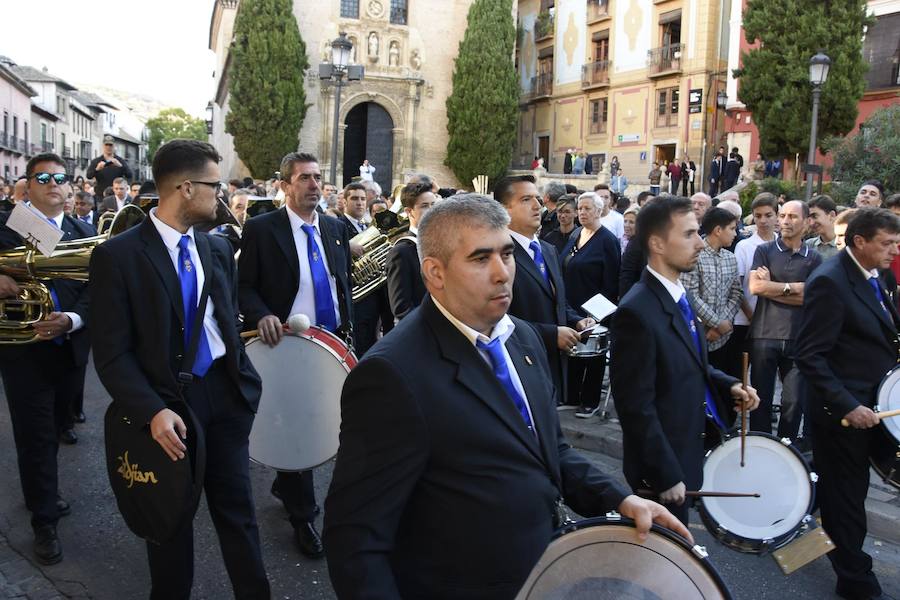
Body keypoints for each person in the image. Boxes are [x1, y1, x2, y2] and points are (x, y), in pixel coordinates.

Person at [323, 193, 690, 598]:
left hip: (543, 575)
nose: (503, 273)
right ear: (435, 272)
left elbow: (550, 450)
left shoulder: (524, 337)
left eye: (507, 254)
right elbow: (355, 540)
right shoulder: (391, 375)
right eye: (481, 259)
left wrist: (621, 499)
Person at [89, 140, 270, 598]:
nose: (222, 196)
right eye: (215, 186)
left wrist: (243, 385)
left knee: (240, 518)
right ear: (186, 188)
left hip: (225, 400)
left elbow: (225, 325)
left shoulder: (214, 249)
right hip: (167, 410)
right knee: (169, 525)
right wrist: (151, 410)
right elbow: (111, 353)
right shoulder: (119, 256)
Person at [611, 195, 759, 525]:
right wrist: (664, 473)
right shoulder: (636, 312)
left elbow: (690, 362)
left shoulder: (678, 294)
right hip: (662, 470)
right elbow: (635, 405)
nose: (700, 243)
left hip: (685, 451)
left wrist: (730, 385)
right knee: (663, 563)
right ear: (657, 244)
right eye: (689, 234)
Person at [238, 151, 353, 560]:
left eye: (317, 177)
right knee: (301, 429)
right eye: (304, 178)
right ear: (284, 185)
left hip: (332, 343)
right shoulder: (262, 229)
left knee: (333, 421)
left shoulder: (336, 228)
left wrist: (349, 333)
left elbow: (341, 287)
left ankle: (286, 481)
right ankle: (304, 517)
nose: (313, 184)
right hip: (286, 347)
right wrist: (263, 314)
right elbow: (245, 286)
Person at [795, 208, 900, 600]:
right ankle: (855, 581)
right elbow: (810, 357)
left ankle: (792, 519)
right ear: (859, 241)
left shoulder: (877, 274)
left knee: (840, 491)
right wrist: (846, 405)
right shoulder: (829, 282)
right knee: (847, 498)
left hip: (873, 405)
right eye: (887, 243)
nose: (894, 250)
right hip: (842, 414)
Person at [0, 154, 93, 565]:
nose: (54, 183)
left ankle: (43, 490)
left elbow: (99, 288)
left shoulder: (85, 231)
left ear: (70, 188)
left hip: (70, 347)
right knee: (35, 436)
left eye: (60, 177)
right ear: (29, 185)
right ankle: (44, 521)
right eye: (44, 177)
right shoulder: (7, 224)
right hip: (25, 352)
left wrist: (72, 319)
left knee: (57, 425)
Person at [495, 175, 593, 413]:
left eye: (537, 199)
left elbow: (556, 300)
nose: (537, 206)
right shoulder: (498, 254)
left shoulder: (547, 249)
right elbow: (497, 319)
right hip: (519, 364)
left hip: (552, 365)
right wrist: (550, 335)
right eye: (526, 199)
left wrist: (575, 319)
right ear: (503, 209)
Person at [748, 200, 822, 443]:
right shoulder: (765, 250)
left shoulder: (815, 258)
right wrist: (794, 288)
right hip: (764, 335)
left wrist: (775, 287)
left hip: (799, 338)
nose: (786, 221)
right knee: (760, 399)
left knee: (793, 402)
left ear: (806, 222)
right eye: (783, 216)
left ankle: (786, 449)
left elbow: (812, 298)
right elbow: (756, 286)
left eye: (792, 216)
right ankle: (760, 445)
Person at [560, 192, 621, 417]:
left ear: (598, 211)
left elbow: (612, 281)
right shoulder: (576, 233)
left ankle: (590, 400)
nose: (582, 213)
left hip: (595, 308)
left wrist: (598, 314)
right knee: (573, 352)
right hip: (570, 305)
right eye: (580, 209)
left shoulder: (607, 240)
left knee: (593, 356)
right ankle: (572, 396)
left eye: (587, 208)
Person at [681, 208, 743, 387]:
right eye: (732, 228)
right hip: (700, 333)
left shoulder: (730, 258)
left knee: (724, 387)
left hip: (725, 336)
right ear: (718, 230)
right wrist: (715, 323)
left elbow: (736, 293)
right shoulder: (695, 255)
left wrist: (724, 323)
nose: (735, 233)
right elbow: (689, 294)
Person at [339, 182, 392, 355]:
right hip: (356, 301)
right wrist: (347, 246)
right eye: (354, 198)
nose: (360, 202)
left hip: (375, 295)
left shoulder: (369, 226)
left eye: (362, 199)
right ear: (345, 202)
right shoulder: (337, 226)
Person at [385, 181, 435, 320]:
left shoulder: (441, 244)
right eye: (425, 206)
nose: (432, 211)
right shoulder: (401, 252)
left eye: (434, 205)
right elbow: (401, 308)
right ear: (409, 212)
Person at [806, 194, 839, 260]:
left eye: (814, 216)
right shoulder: (808, 245)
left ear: (832, 215)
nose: (811, 223)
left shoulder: (846, 246)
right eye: (809, 219)